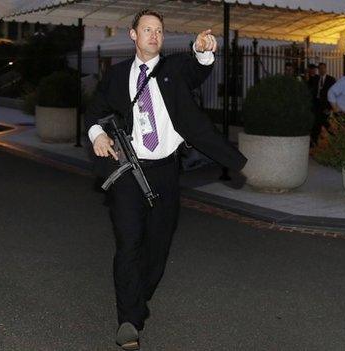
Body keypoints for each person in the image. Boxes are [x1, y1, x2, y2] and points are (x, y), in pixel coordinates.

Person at [84, 9, 247, 350]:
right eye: (147, 29)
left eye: (159, 30)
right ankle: (128, 320)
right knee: (129, 243)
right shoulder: (114, 76)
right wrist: (97, 133)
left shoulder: (172, 69)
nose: (154, 35)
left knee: (157, 247)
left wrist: (202, 49)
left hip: (165, 172)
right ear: (133, 35)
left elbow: (198, 68)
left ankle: (136, 299)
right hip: (128, 171)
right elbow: (95, 110)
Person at [310, 62, 336, 143]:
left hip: (325, 105)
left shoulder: (331, 80)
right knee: (316, 123)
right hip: (316, 104)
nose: (321, 70)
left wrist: (330, 107)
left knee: (324, 121)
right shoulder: (315, 79)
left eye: (323, 68)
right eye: (319, 68)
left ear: (326, 69)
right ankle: (314, 142)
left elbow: (333, 94)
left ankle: (334, 136)